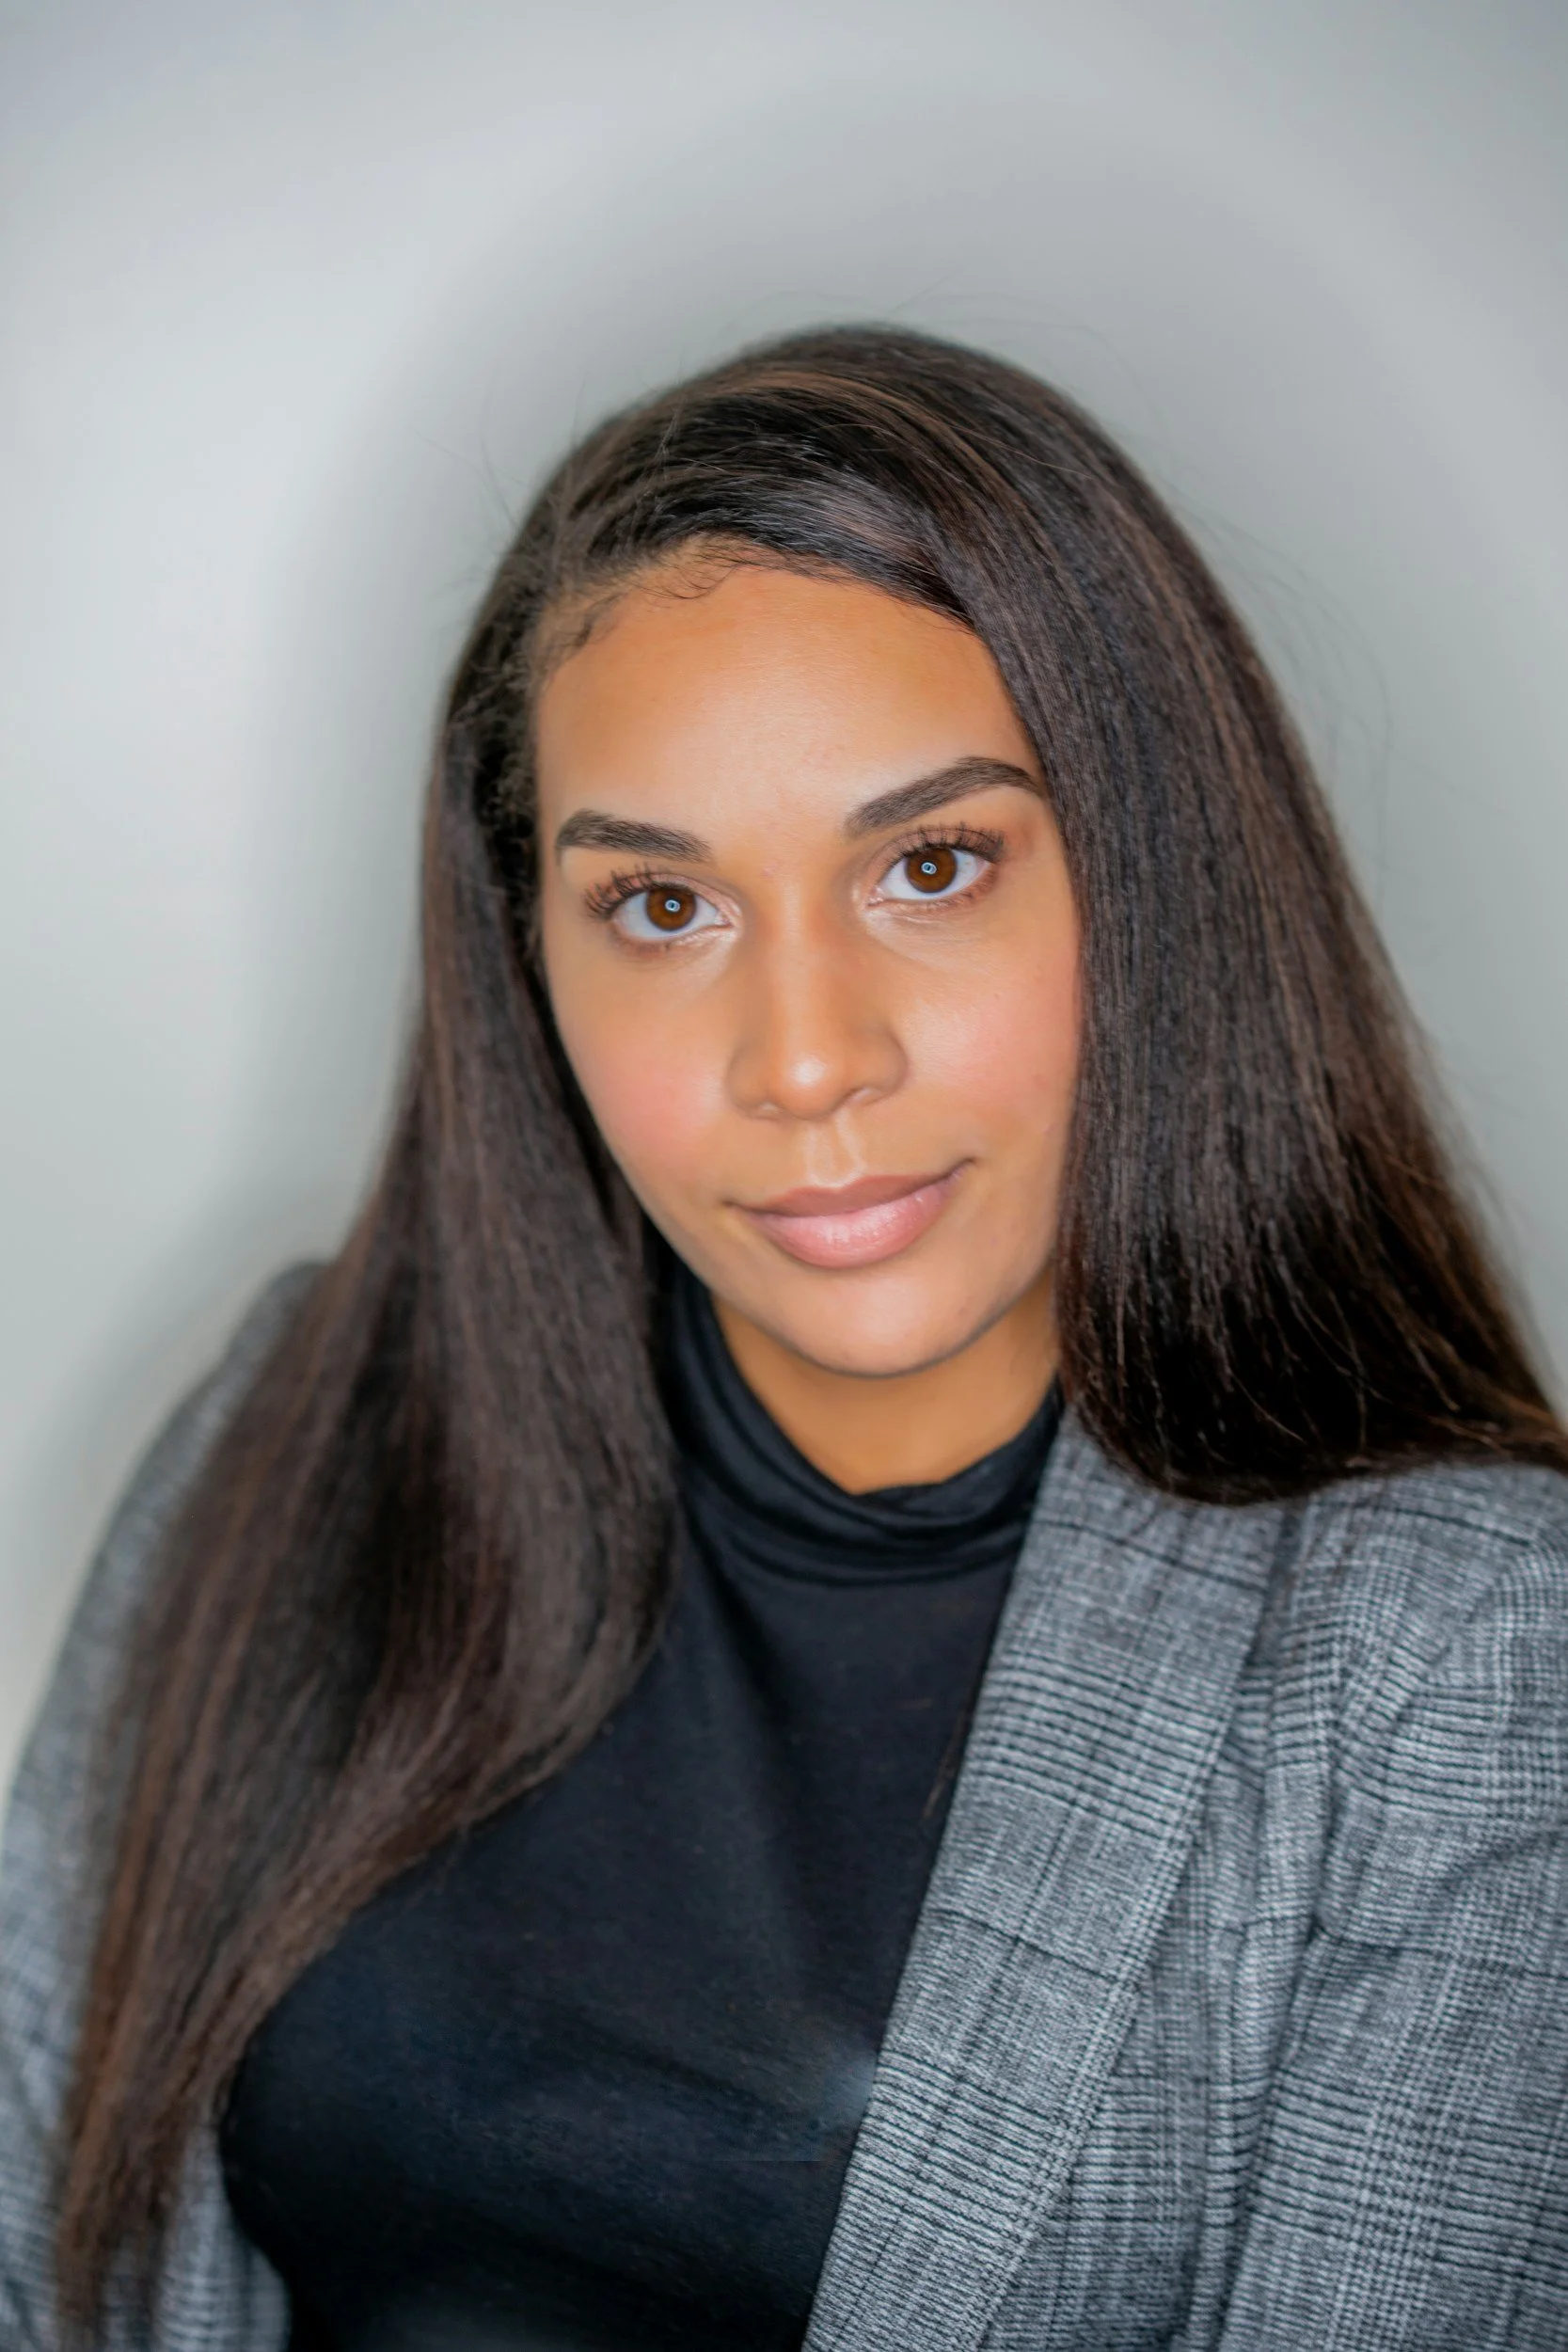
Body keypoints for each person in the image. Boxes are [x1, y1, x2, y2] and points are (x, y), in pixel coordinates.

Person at [3, 326, 1566, 2352]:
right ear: (528, 953)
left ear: (1152, 879)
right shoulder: (302, 1421)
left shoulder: (1459, 1649)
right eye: (662, 908)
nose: (806, 1058)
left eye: (931, 866)